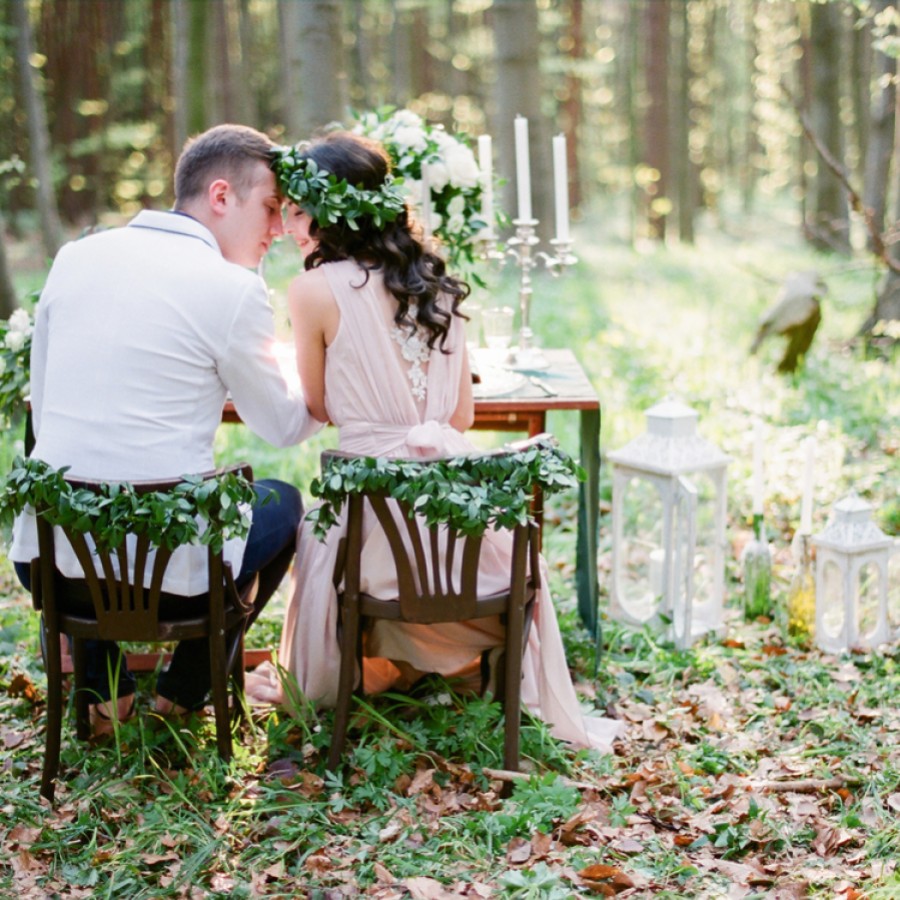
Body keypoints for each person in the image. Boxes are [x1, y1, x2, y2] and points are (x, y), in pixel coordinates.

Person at [256, 131, 621, 752]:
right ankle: (439, 669)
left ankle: (363, 672)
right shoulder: (440, 287)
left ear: (331, 210)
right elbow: (462, 412)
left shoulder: (312, 292)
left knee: (321, 531)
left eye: (297, 209)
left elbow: (317, 407)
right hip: (463, 543)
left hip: (374, 535)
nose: (290, 225)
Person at [9, 123, 322, 732]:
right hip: (169, 581)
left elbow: (42, 413)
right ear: (222, 196)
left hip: (49, 566)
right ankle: (183, 691)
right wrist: (327, 372)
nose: (280, 228)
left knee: (90, 501)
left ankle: (107, 697)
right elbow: (283, 426)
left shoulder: (76, 257)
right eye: (270, 208)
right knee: (282, 504)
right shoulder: (233, 288)